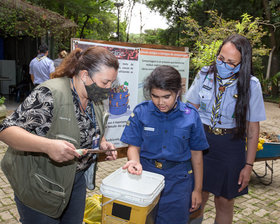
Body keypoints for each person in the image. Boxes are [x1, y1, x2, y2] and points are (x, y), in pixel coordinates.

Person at [0, 46, 119, 224]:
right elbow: (7, 131)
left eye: (112, 83)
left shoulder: (95, 98)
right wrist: (47, 146)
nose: (108, 89)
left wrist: (102, 143)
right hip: (40, 185)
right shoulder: (50, 93)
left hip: (75, 181)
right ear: (85, 75)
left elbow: (90, 126)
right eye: (105, 82)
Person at [185, 34, 266, 224]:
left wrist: (248, 166)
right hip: (200, 143)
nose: (223, 64)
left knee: (224, 202)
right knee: (196, 198)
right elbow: (189, 111)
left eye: (231, 62)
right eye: (221, 58)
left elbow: (253, 130)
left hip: (230, 147)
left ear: (242, 64)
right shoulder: (205, 74)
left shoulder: (251, 85)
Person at [120, 65, 209, 224]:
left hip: (179, 181)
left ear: (178, 92)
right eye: (155, 96)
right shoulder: (141, 112)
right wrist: (134, 161)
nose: (160, 102)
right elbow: (134, 146)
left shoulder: (191, 116)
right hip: (145, 176)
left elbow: (197, 155)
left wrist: (197, 189)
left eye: (166, 96)